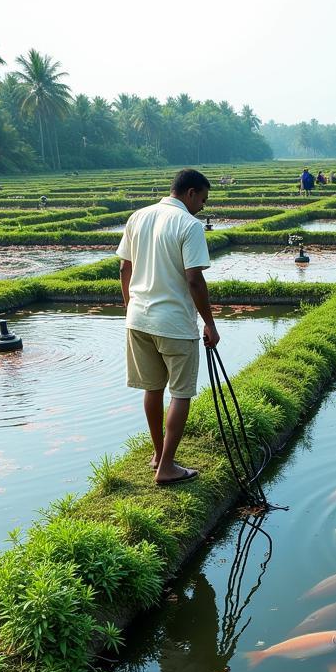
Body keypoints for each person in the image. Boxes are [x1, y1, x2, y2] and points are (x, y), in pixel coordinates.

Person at [117, 168, 219, 486]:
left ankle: (159, 454)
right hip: (173, 321)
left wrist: (129, 303)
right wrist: (210, 323)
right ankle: (167, 467)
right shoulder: (189, 225)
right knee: (181, 393)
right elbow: (194, 279)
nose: (202, 206)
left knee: (153, 388)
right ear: (189, 193)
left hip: (138, 318)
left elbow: (124, 266)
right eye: (202, 199)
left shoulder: (139, 216)